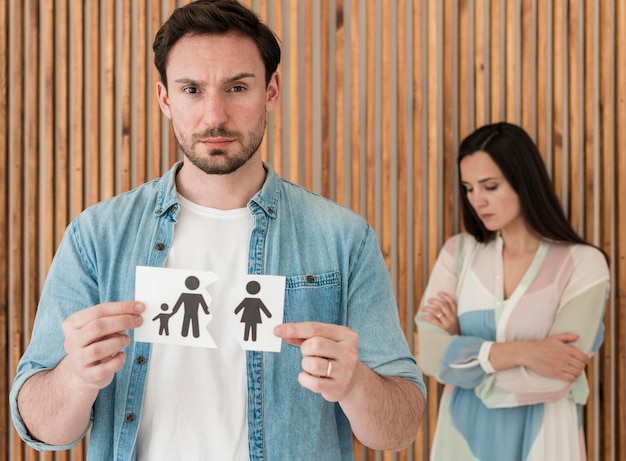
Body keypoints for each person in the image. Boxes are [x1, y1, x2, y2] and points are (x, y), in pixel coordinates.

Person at [9, 1, 425, 460]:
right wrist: (76, 376)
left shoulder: (344, 239)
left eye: (237, 87)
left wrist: (356, 383)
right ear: (165, 98)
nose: (214, 116)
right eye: (191, 89)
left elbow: (399, 430)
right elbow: (41, 427)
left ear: (271, 91)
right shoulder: (97, 237)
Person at [415, 121, 610, 461]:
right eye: (469, 188)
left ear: (524, 181)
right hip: (461, 437)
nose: (478, 200)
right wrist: (526, 353)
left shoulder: (583, 264)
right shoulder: (458, 254)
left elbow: (561, 375)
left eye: (490, 186)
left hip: (546, 436)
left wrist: (464, 355)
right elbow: (430, 354)